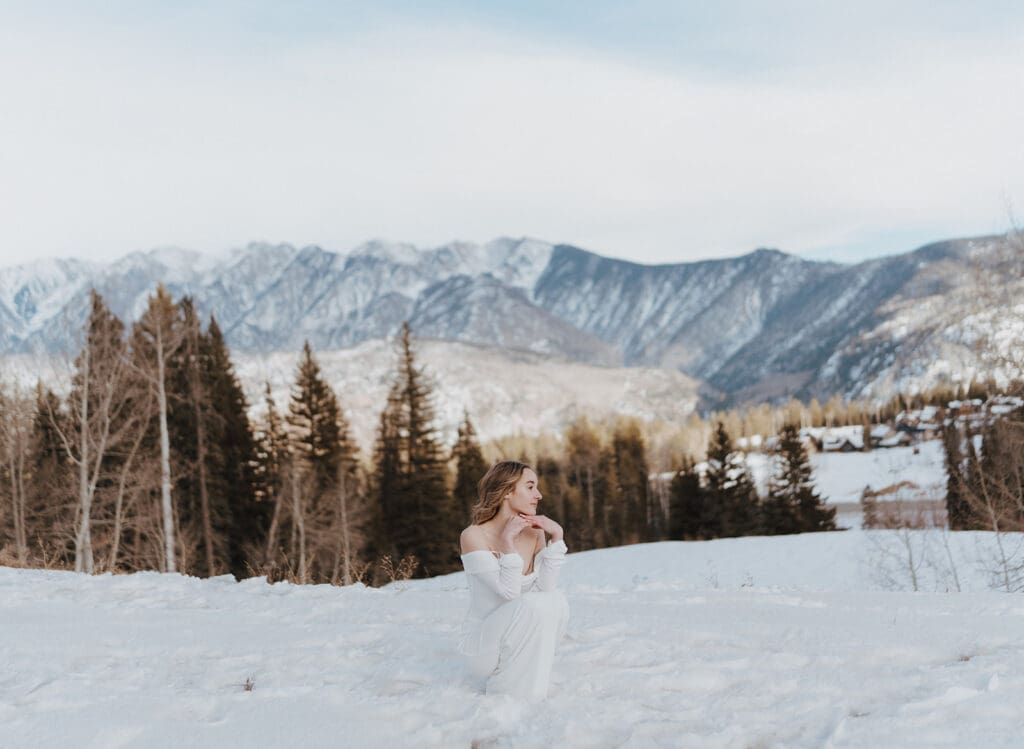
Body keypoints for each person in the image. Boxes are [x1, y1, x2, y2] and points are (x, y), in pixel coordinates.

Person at [458, 460, 570, 700]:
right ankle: (507, 697)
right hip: (481, 648)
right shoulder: (473, 536)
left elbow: (546, 589)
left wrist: (557, 538)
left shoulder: (534, 531)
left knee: (557, 601)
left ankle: (524, 692)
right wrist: (508, 544)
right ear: (507, 491)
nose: (538, 495)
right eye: (530, 487)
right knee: (532, 604)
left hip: (515, 636)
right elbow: (509, 593)